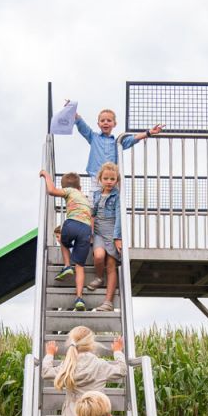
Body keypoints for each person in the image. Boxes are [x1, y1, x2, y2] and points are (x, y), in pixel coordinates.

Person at [42, 327, 126, 416]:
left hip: (74, 415)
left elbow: (46, 372)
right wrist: (118, 352)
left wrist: (49, 354)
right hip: (97, 412)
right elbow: (122, 370)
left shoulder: (68, 366)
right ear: (91, 344)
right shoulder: (100, 365)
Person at [40, 169, 91, 310]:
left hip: (73, 223)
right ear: (80, 187)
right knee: (80, 266)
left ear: (66, 187)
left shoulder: (69, 191)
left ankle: (67, 266)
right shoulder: (84, 197)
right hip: (86, 229)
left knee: (63, 240)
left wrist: (46, 175)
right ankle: (79, 298)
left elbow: (51, 190)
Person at [75, 106, 162, 182]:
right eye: (102, 120)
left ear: (114, 124)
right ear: (98, 124)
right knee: (96, 197)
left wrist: (149, 132)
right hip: (96, 176)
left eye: (109, 120)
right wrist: (74, 113)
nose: (105, 122)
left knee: (112, 198)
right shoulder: (93, 137)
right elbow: (83, 127)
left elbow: (133, 139)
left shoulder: (117, 142)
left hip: (112, 177)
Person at [89, 161, 122, 312]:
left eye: (112, 179)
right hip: (99, 233)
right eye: (106, 178)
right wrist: (89, 232)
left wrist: (117, 237)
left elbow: (119, 217)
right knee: (99, 256)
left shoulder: (117, 196)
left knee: (111, 265)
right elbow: (92, 214)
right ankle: (99, 277)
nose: (109, 182)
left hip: (112, 233)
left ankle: (108, 302)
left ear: (117, 180)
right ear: (100, 179)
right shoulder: (96, 195)